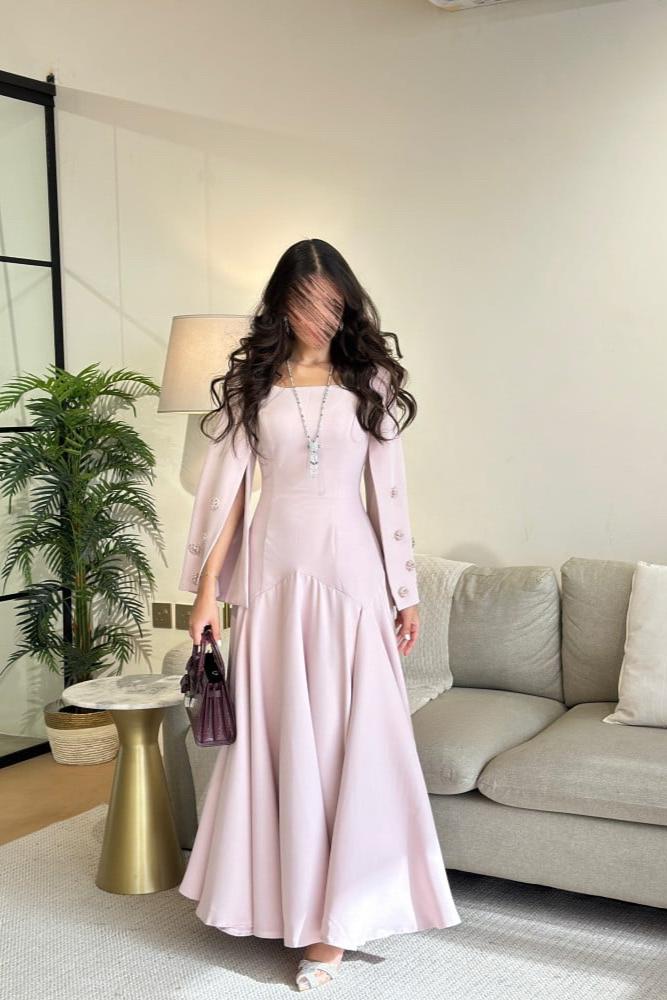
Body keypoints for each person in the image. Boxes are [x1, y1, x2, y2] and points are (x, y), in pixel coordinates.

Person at [177, 238, 462, 990]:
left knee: (345, 739)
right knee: (276, 738)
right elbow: (229, 498)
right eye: (304, 303)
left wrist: (405, 590)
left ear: (346, 304)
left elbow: (387, 494)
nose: (317, 318)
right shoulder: (254, 385)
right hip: (272, 580)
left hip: (350, 581)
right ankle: (282, 904)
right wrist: (206, 594)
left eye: (330, 304)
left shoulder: (371, 380)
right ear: (280, 304)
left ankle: (336, 924)